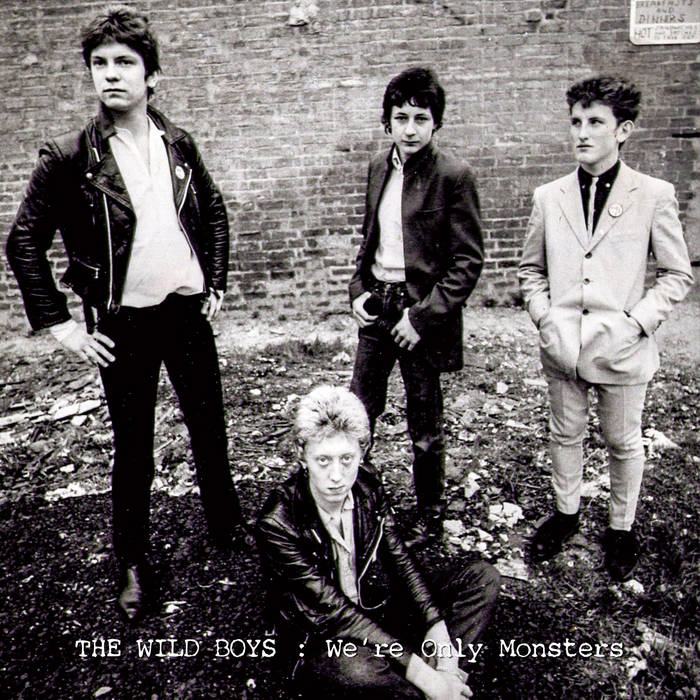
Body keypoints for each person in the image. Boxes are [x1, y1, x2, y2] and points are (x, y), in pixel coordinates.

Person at [6, 6, 246, 620]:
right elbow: (23, 241)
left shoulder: (178, 142)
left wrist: (215, 282)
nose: (110, 74)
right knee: (134, 444)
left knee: (209, 426)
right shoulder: (69, 157)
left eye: (125, 62)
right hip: (123, 324)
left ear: (151, 75)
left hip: (186, 314)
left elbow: (214, 212)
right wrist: (62, 326)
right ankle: (134, 561)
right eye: (100, 63)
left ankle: (227, 526)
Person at [518, 76, 693, 581]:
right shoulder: (549, 196)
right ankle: (565, 514)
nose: (582, 132)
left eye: (596, 122)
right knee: (564, 432)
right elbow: (531, 269)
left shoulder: (653, 194)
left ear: (623, 131)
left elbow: (677, 273)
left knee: (623, 440)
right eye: (576, 121)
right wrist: (545, 316)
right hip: (563, 346)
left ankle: (621, 527)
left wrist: (637, 323)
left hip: (622, 348)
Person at [256, 385, 499, 699]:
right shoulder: (278, 523)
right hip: (322, 637)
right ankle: (433, 687)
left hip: (374, 613)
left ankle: (445, 680)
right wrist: (423, 675)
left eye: (347, 459)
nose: (336, 476)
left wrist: (438, 632)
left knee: (481, 577)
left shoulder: (368, 485)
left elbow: (400, 560)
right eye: (323, 460)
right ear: (302, 456)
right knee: (355, 671)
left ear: (363, 452)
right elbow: (335, 612)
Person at [348, 67, 484, 547]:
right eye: (401, 117)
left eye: (421, 118)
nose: (410, 129)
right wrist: (357, 290)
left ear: (436, 123)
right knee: (358, 412)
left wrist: (421, 317)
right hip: (378, 307)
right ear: (386, 121)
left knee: (424, 423)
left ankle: (429, 513)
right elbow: (369, 240)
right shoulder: (377, 167)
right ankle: (354, 501)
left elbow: (467, 261)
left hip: (420, 313)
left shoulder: (453, 175)